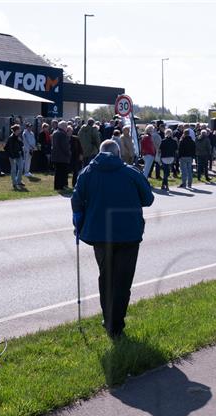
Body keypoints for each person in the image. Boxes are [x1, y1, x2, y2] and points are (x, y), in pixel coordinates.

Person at [71, 140, 154, 338]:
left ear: (100, 153)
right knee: (123, 281)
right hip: (128, 235)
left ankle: (109, 320)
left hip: (100, 235)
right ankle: (116, 323)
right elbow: (148, 199)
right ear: (118, 153)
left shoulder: (87, 173)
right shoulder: (131, 172)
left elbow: (76, 203)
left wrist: (78, 225)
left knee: (106, 277)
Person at [51, 120, 72, 191]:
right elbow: (65, 146)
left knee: (57, 172)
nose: (67, 128)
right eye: (66, 126)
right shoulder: (63, 134)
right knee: (63, 172)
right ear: (63, 127)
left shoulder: (55, 132)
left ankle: (57, 186)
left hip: (55, 155)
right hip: (62, 156)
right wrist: (69, 153)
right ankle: (62, 185)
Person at [4, 124, 25, 189]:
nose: (20, 130)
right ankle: (14, 183)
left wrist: (20, 141)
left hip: (19, 155)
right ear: (16, 130)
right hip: (12, 155)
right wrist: (12, 156)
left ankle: (19, 181)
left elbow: (22, 144)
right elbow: (9, 148)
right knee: (13, 169)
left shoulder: (18, 136)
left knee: (21, 168)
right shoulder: (11, 138)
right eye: (19, 129)